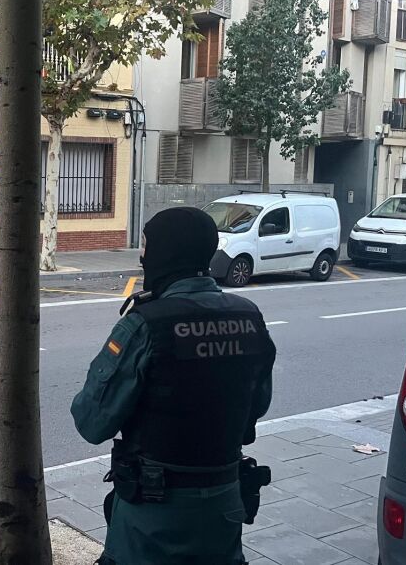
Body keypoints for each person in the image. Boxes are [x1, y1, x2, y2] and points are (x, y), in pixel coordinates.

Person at [71, 207, 276, 565]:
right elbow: (257, 404)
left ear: (165, 252)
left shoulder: (146, 324)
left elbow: (92, 422)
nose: (142, 256)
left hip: (155, 516)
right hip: (224, 504)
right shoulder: (249, 317)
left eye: (146, 246)